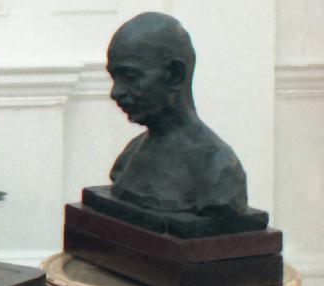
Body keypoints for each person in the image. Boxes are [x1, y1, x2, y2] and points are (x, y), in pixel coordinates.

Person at [106, 12, 248, 216]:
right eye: (114, 77)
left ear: (175, 75)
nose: (115, 92)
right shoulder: (128, 156)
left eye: (130, 76)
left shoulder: (218, 169)